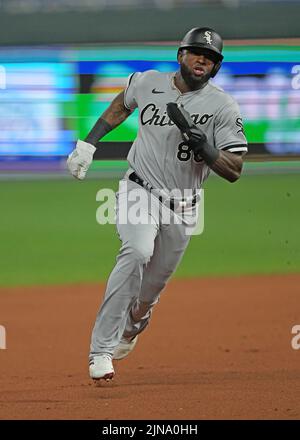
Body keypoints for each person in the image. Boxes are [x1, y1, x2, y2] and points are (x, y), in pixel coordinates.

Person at [67, 27, 248, 381]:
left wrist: (206, 148)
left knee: (149, 291)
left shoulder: (223, 106)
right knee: (135, 250)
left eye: (210, 58)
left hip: (184, 205)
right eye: (197, 52)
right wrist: (88, 144)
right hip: (140, 188)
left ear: (216, 68)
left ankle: (136, 321)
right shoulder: (148, 81)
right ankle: (100, 350)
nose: (202, 60)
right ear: (181, 55)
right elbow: (122, 104)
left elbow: (235, 169)